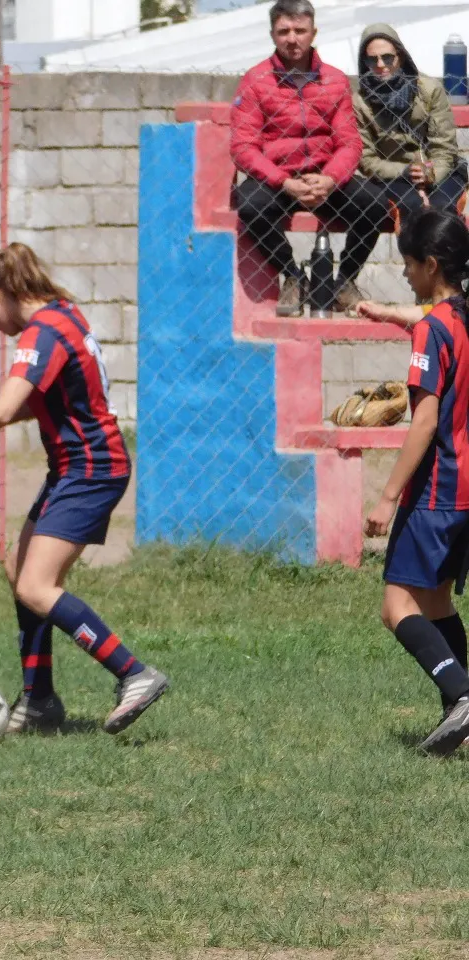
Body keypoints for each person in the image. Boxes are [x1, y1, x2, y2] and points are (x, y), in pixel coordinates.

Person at [0, 243, 170, 736]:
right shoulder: (63, 315)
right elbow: (43, 399)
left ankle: (134, 674)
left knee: (36, 587)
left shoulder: (41, 332)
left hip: (90, 469)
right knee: (18, 569)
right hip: (77, 466)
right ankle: (38, 702)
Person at [363, 208, 469, 756]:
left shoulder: (433, 329)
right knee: (437, 603)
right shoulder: (459, 318)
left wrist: (386, 497)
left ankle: (462, 694)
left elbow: (424, 421)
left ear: (431, 264)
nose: (404, 273)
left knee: (396, 606)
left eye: (408, 264)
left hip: (439, 490)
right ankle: (458, 710)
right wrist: (389, 313)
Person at [230, 0, 365, 317]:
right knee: (250, 205)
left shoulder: (334, 81)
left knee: (374, 204)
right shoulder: (256, 80)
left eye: (300, 30)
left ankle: (344, 280)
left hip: (325, 181)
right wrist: (283, 181)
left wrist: (330, 178)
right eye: (284, 31)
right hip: (278, 181)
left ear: (313, 32)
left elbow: (350, 142)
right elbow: (242, 146)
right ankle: (293, 275)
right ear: (273, 35)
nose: (292, 38)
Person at [347, 23, 467, 313]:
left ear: (400, 55)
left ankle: (452, 290)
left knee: (442, 213)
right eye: (372, 59)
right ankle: (425, 295)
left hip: (439, 169)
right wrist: (404, 173)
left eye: (387, 57)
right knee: (415, 213)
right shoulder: (360, 103)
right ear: (364, 63)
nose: (381, 65)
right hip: (392, 174)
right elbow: (366, 159)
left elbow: (444, 146)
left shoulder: (428, 89)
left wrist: (430, 174)